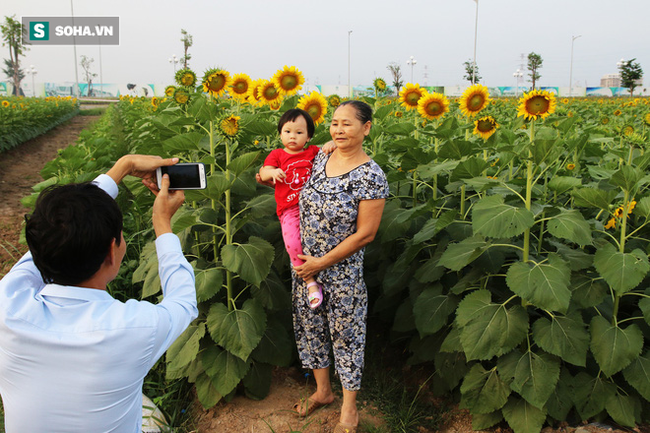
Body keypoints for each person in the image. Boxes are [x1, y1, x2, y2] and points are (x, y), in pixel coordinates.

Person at [0, 154, 198, 433]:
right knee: (149, 416)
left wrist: (124, 166)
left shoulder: (7, 304)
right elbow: (183, 302)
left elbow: (48, 238)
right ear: (111, 251)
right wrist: (162, 222)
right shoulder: (132, 328)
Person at [291, 100, 389, 433]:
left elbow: (366, 234)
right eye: (334, 123)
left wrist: (322, 262)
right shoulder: (320, 157)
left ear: (367, 127)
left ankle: (349, 408)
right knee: (311, 329)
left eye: (347, 124)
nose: (338, 129)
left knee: (346, 336)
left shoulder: (371, 175)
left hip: (341, 273)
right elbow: (288, 159)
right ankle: (322, 392)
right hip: (307, 270)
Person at [258, 108, 333, 309]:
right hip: (289, 209)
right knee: (292, 242)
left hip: (314, 207)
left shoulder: (313, 152)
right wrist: (272, 173)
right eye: (287, 131)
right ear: (280, 133)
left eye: (299, 133)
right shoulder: (277, 155)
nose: (293, 136)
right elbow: (264, 172)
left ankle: (326, 272)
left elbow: (329, 154)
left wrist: (331, 144)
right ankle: (310, 281)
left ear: (309, 137)